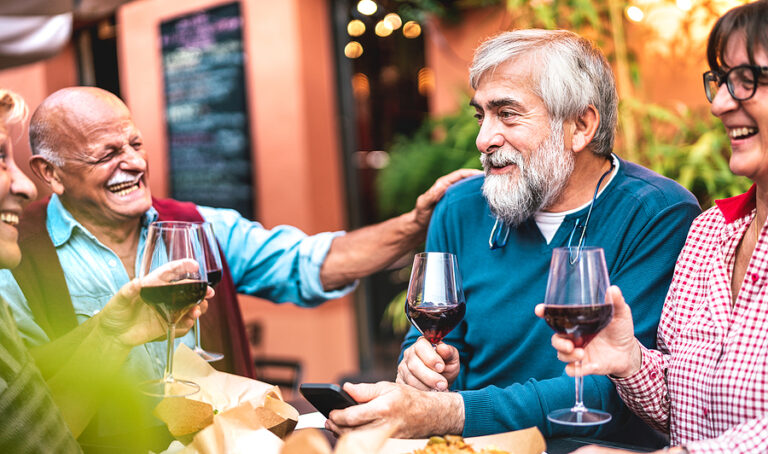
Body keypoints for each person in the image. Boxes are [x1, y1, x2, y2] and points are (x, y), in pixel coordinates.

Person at [326, 29, 701, 442]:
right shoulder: (460, 208)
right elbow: (432, 343)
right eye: (481, 116)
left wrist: (452, 412)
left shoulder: (657, 214)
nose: (483, 139)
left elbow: (621, 389)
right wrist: (424, 368)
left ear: (580, 125)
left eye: (507, 114)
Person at [543, 2, 768, 453]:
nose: (720, 104)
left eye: (747, 80)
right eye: (721, 81)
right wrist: (629, 360)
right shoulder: (709, 234)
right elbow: (684, 414)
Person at [0, 90, 210, 451]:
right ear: (50, 172)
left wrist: (113, 335)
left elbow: (31, 434)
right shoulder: (15, 264)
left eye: (136, 145)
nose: (136, 163)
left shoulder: (195, 220)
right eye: (107, 154)